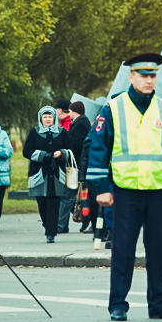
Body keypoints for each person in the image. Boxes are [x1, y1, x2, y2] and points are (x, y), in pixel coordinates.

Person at [86, 52, 162, 322]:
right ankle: (118, 304)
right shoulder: (113, 108)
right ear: (131, 77)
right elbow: (98, 150)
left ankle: (159, 304)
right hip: (125, 190)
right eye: (143, 75)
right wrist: (102, 188)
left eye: (152, 75)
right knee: (123, 248)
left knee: (158, 249)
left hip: (157, 191)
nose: (148, 80)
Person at [23, 105, 71, 243]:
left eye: (50, 116)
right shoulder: (34, 132)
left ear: (54, 118)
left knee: (54, 203)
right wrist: (43, 155)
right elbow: (26, 151)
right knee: (42, 204)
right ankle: (47, 225)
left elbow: (70, 149)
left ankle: (51, 233)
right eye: (45, 117)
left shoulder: (62, 132)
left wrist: (62, 153)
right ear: (41, 118)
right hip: (39, 174)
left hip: (57, 174)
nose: (48, 119)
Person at [57, 100, 91, 234]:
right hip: (77, 165)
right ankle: (83, 219)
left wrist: (66, 141)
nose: (68, 114)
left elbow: (80, 144)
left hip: (76, 165)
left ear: (74, 111)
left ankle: (61, 224)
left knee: (68, 195)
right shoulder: (81, 122)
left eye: (70, 111)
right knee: (73, 195)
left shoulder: (81, 123)